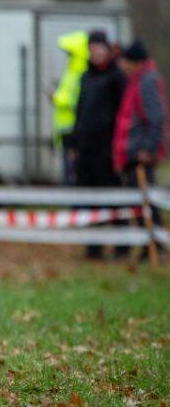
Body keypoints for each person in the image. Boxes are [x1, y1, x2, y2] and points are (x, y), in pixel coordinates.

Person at [72, 30, 126, 259]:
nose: (95, 52)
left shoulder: (117, 77)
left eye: (99, 48)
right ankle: (93, 247)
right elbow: (80, 110)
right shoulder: (85, 77)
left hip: (107, 150)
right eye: (92, 48)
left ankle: (122, 245)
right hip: (86, 149)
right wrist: (76, 141)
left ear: (107, 49)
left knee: (114, 200)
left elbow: (123, 114)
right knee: (88, 200)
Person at [113, 39, 166, 253]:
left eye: (125, 60)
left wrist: (148, 148)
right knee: (138, 204)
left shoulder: (147, 82)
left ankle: (153, 246)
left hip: (141, 155)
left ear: (134, 62)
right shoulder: (135, 81)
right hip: (132, 153)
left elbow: (156, 118)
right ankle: (148, 246)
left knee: (146, 203)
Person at [52, 30, 90, 185]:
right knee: (67, 172)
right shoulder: (71, 72)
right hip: (66, 131)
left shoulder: (80, 73)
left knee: (71, 175)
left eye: (69, 53)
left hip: (74, 131)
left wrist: (56, 98)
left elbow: (76, 100)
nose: (67, 57)